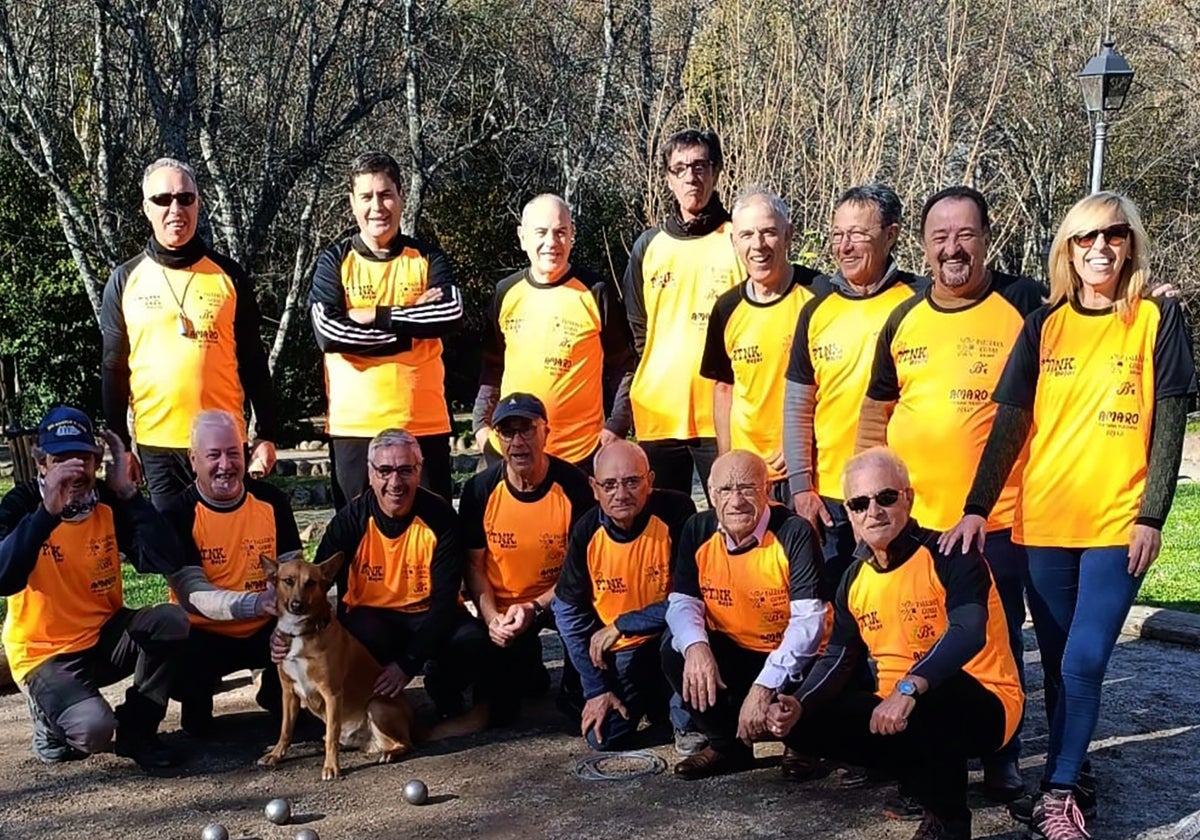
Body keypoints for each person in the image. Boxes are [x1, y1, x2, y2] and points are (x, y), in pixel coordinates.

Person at [942, 192, 1195, 840]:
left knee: (1084, 660)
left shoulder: (1156, 317)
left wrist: (1153, 516)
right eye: (1085, 238)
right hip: (1044, 523)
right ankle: (1071, 771)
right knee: (1056, 664)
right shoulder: (1043, 324)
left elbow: (1169, 422)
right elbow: (1011, 424)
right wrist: (977, 506)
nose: (1100, 247)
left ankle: (1056, 796)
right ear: (1069, 249)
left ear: (1131, 241)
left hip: (1117, 524)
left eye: (1113, 234)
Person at [854, 186, 1044, 802]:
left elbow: (1090, 323)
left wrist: (1146, 294)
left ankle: (1000, 755)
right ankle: (927, 753)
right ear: (924, 246)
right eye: (939, 237)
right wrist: (867, 496)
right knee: (923, 640)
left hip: (997, 519)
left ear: (986, 238)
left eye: (965, 234)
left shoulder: (1023, 303)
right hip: (917, 525)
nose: (952, 248)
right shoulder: (903, 316)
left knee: (995, 640)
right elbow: (875, 412)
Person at [771, 448, 1023, 840]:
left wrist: (910, 686)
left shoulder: (951, 555)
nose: (873, 511)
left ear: (908, 498)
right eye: (859, 504)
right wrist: (798, 703)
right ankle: (915, 774)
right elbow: (838, 655)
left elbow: (968, 632)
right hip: (896, 708)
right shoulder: (853, 578)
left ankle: (948, 820)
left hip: (983, 702)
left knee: (935, 697)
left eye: (885, 497)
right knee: (803, 721)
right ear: (850, 515)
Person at [0, 407, 188, 769]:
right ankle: (50, 720)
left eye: (82, 458)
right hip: (44, 652)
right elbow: (4, 578)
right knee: (93, 731)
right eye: (61, 459)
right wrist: (46, 514)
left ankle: (139, 731)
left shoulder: (107, 499)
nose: (74, 469)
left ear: (96, 461)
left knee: (171, 620)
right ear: (42, 464)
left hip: (104, 637)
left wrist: (129, 494)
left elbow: (166, 559)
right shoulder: (21, 504)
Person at [101, 157, 279, 508]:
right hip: (159, 446)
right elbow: (113, 370)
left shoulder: (229, 275)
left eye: (185, 198)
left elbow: (254, 362)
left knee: (229, 552)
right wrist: (120, 448)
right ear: (145, 208)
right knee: (176, 557)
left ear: (198, 203)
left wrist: (268, 435)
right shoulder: (124, 279)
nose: (175, 209)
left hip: (224, 444)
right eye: (163, 199)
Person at [783, 183, 924, 592]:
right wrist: (801, 490)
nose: (845, 246)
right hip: (831, 499)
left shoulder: (919, 302)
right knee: (835, 611)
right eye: (838, 234)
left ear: (891, 234)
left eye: (858, 234)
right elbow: (797, 408)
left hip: (898, 498)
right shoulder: (816, 310)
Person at [661, 450, 827, 779]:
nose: (736, 501)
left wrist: (765, 686)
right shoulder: (697, 528)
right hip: (736, 647)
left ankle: (802, 745)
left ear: (766, 489)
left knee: (815, 673)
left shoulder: (795, 532)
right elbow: (682, 602)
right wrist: (697, 648)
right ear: (710, 493)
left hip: (793, 657)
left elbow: (809, 624)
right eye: (725, 490)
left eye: (747, 488)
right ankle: (727, 747)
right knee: (675, 649)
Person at [309, 151, 463, 505]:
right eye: (366, 196)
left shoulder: (427, 258)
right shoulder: (334, 261)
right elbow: (330, 333)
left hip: (423, 424)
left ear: (401, 197)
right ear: (352, 202)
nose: (377, 206)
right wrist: (412, 324)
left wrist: (375, 315)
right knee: (356, 543)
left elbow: (450, 314)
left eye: (385, 194)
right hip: (355, 428)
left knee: (433, 540)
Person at [307, 428, 485, 719]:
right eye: (385, 470)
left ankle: (443, 687)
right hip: (371, 618)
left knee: (471, 641)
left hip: (427, 615)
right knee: (356, 634)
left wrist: (408, 663)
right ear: (370, 472)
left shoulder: (440, 518)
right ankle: (367, 699)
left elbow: (444, 604)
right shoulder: (349, 521)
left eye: (405, 470)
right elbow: (315, 583)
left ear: (419, 470)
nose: (395, 482)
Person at [163, 410, 302, 736]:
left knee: (317, 616)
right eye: (213, 455)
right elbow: (192, 591)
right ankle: (197, 705)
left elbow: (294, 572)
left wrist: (284, 623)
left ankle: (278, 692)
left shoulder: (272, 501)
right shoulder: (176, 513)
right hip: (203, 635)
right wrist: (255, 603)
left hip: (266, 628)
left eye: (233, 453)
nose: (225, 465)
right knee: (172, 643)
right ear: (193, 459)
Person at [473, 194, 636, 471]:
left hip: (581, 455)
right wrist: (480, 426)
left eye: (561, 232)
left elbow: (624, 367)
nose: (552, 242)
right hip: (514, 453)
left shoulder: (596, 292)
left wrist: (616, 427)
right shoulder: (506, 292)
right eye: (541, 232)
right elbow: (492, 367)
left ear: (572, 234)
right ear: (522, 237)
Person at [458, 393, 593, 724]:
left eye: (527, 430)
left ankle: (580, 688)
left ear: (546, 431)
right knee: (501, 713)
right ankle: (525, 667)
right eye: (507, 432)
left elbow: (582, 570)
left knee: (574, 713)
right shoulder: (478, 491)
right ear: (497, 438)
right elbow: (473, 567)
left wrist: (534, 608)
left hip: (560, 598)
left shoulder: (574, 485)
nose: (518, 442)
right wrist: (492, 620)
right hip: (504, 607)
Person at [553, 440, 697, 750]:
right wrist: (596, 689)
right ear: (594, 488)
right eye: (610, 485)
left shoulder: (677, 512)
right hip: (621, 651)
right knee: (603, 737)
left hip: (666, 638)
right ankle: (653, 701)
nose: (621, 494)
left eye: (632, 481)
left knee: (685, 627)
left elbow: (691, 597)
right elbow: (567, 613)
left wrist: (623, 623)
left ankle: (686, 723)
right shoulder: (586, 531)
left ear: (650, 481)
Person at [623, 129, 743, 499]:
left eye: (699, 166)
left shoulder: (738, 239)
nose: (691, 176)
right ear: (668, 179)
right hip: (658, 413)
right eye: (680, 168)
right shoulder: (649, 246)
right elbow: (638, 330)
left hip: (722, 414)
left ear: (716, 171)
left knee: (733, 518)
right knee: (663, 529)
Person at [700, 187, 819, 504]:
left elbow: (838, 386)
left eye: (768, 232)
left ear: (788, 234)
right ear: (734, 241)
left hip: (809, 472)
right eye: (747, 235)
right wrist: (727, 462)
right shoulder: (726, 308)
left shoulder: (820, 297)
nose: (758, 245)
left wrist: (799, 442)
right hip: (750, 479)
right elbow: (724, 389)